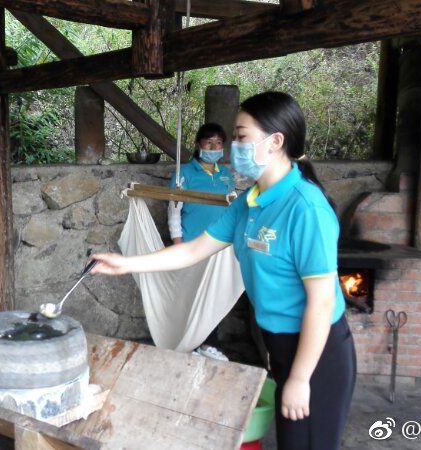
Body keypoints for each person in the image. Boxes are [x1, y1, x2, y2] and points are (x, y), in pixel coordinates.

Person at [94, 92, 355, 450]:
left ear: (275, 142)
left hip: (316, 353)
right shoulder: (249, 202)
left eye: (242, 137)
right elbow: (194, 250)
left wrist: (299, 378)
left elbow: (322, 303)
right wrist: (126, 263)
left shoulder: (306, 209)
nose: (234, 148)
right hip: (279, 343)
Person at [168, 122, 235, 361]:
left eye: (218, 143)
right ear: (198, 145)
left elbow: (232, 207)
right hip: (192, 245)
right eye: (209, 143)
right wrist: (178, 245)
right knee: (191, 296)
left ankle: (207, 345)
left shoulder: (225, 173)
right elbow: (174, 212)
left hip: (221, 246)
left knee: (216, 296)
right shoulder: (184, 173)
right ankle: (191, 344)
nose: (214, 148)